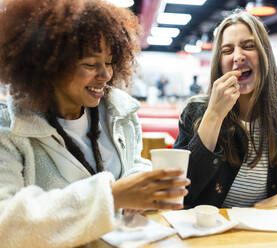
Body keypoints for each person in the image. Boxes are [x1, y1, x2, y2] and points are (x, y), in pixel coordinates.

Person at [0, 0, 189, 247]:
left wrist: (140, 185)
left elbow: (134, 163)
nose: (106, 74)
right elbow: (7, 223)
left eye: (109, 61)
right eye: (90, 64)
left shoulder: (120, 112)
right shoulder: (9, 127)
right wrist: (112, 196)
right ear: (48, 66)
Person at [173, 9, 277, 210]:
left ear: (264, 55)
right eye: (227, 50)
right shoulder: (195, 112)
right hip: (208, 236)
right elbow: (178, 192)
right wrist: (214, 115)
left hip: (271, 238)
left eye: (248, 46)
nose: (238, 56)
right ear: (219, 63)